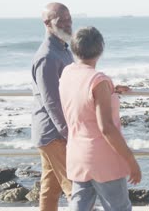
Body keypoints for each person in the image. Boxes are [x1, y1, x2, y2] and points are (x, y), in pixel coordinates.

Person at [59, 26, 141, 211]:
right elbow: (106, 128)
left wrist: (110, 91)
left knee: (80, 205)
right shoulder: (98, 81)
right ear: (101, 48)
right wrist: (131, 161)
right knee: (118, 207)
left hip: (78, 154)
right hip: (103, 159)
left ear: (74, 48)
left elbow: (82, 98)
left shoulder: (67, 73)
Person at [31, 2, 73, 211]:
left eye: (69, 19)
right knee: (76, 188)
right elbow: (51, 101)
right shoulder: (47, 57)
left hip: (52, 133)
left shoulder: (64, 49)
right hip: (54, 134)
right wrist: (69, 133)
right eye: (61, 20)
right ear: (47, 23)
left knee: (50, 189)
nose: (67, 24)